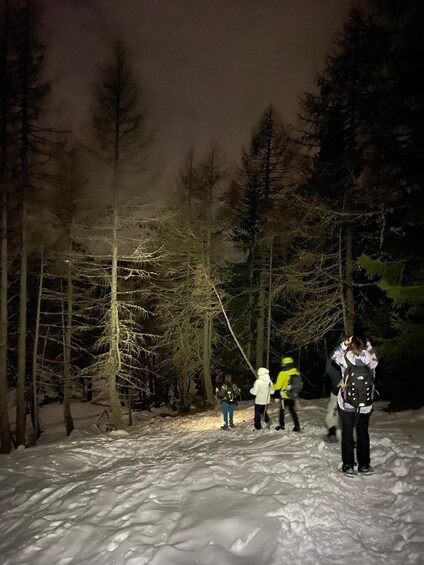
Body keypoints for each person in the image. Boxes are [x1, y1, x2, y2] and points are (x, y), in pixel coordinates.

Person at [332, 335, 378, 475]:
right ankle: (364, 465)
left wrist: (344, 343)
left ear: (351, 345)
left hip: (346, 404)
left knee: (347, 433)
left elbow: (335, 356)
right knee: (363, 432)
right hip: (365, 404)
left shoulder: (345, 359)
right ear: (364, 345)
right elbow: (375, 359)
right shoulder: (370, 360)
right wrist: (369, 347)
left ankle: (348, 466)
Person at [272, 356, 301, 432]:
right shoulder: (296, 372)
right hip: (293, 395)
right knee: (292, 410)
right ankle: (297, 426)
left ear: (284, 363)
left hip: (285, 395)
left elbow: (278, 386)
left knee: (282, 410)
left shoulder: (283, 373)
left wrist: (272, 386)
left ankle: (281, 425)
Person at [324, 354, 343, 443]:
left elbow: (328, 371)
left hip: (337, 390)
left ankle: (332, 434)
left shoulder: (334, 358)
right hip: (352, 393)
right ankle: (351, 439)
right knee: (349, 415)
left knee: (332, 412)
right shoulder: (357, 356)